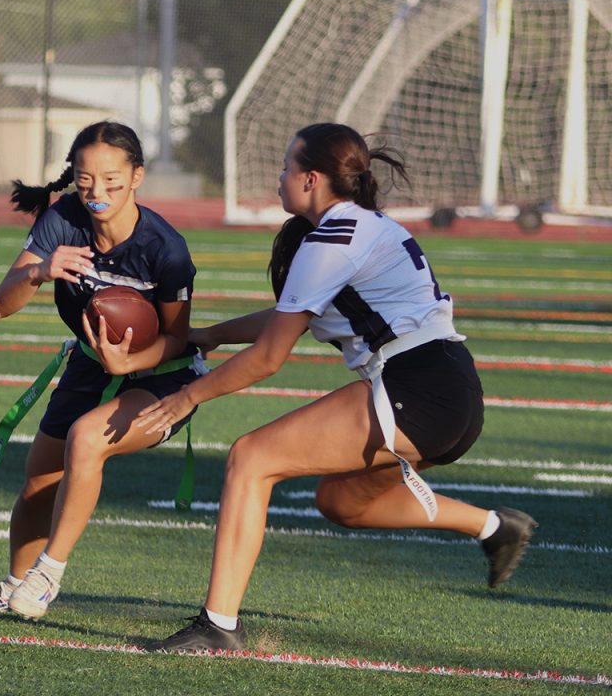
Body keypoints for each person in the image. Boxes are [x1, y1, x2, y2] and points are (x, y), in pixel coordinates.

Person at [138, 123, 537, 654]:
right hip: (452, 391)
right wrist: (211, 335)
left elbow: (270, 357)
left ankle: (219, 625)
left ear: (311, 179)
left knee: (250, 458)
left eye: (286, 167)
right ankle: (493, 528)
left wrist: (188, 396)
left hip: (415, 387)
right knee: (341, 501)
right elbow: (287, 317)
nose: (280, 177)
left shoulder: (329, 240)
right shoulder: (362, 226)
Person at [0, 121, 205, 620]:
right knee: (38, 484)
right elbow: (1, 305)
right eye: (86, 178)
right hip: (90, 364)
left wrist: (130, 361)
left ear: (137, 177)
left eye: (112, 179)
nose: (97, 191)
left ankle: (49, 574)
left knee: (87, 439)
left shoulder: (166, 248)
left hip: (162, 375)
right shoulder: (62, 219)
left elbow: (177, 338)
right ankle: (15, 584)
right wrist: (37, 271)